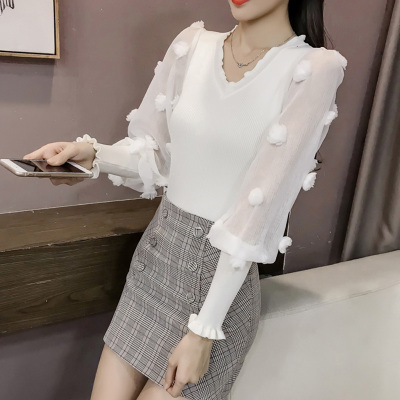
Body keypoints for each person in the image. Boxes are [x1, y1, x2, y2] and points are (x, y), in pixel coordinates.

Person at [24, 0, 347, 399]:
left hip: (216, 294)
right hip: (154, 267)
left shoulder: (313, 69)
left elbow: (258, 214)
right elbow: (157, 155)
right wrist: (92, 155)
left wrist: (204, 331)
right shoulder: (192, 45)